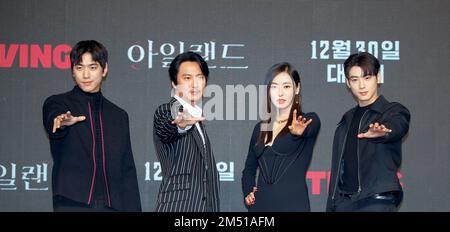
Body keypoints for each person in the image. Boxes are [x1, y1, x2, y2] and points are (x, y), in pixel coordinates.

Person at [42, 40, 141, 212]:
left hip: (113, 205)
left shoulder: (118, 115)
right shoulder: (58, 103)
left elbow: (127, 170)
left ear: (105, 70)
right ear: (73, 71)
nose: (86, 75)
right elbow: (54, 120)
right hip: (72, 202)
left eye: (92, 67)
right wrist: (61, 122)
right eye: (79, 68)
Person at [326, 52, 410, 212]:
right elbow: (337, 171)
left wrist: (385, 132)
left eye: (367, 77)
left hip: (375, 201)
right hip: (343, 204)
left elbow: (398, 126)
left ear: (378, 78)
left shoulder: (392, 111)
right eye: (355, 80)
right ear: (348, 83)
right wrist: (332, 205)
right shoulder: (345, 121)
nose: (361, 85)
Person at [241, 62, 320, 212]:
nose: (280, 93)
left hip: (293, 205)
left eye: (286, 86)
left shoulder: (308, 120)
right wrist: (248, 192)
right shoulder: (260, 128)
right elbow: (249, 169)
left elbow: (310, 128)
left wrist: (298, 132)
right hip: (260, 207)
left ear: (297, 88)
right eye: (274, 86)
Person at [153, 51, 220, 212]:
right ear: (174, 83)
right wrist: (180, 125)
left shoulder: (197, 119)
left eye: (200, 77)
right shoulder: (168, 110)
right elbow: (166, 127)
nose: (195, 84)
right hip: (178, 207)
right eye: (187, 78)